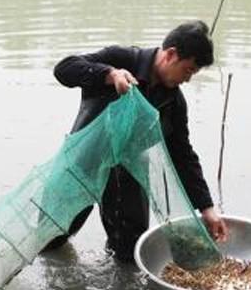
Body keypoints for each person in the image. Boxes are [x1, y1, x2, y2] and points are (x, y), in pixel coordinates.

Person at [43, 20, 228, 262]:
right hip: (84, 164)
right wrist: (110, 75)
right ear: (171, 55)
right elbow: (64, 69)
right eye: (188, 70)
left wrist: (207, 208)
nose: (188, 79)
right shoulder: (121, 59)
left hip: (128, 176)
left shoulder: (173, 102)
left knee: (130, 253)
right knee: (52, 238)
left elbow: (183, 155)